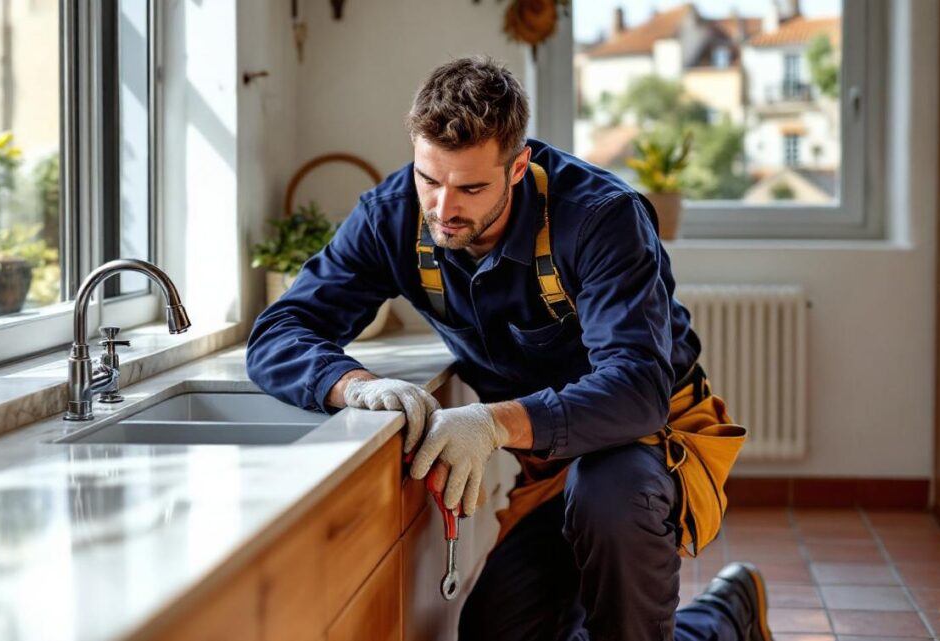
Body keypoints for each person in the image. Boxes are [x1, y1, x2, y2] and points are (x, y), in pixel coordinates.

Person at [246, 56, 772, 641]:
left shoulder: (600, 218)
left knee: (608, 501)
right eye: (429, 179)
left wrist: (492, 423)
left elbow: (637, 391)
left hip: (648, 443)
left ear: (519, 166)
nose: (444, 209)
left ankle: (713, 615)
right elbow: (279, 330)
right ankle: (723, 620)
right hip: (547, 463)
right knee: (499, 632)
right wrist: (356, 386)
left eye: (471, 187)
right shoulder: (390, 216)